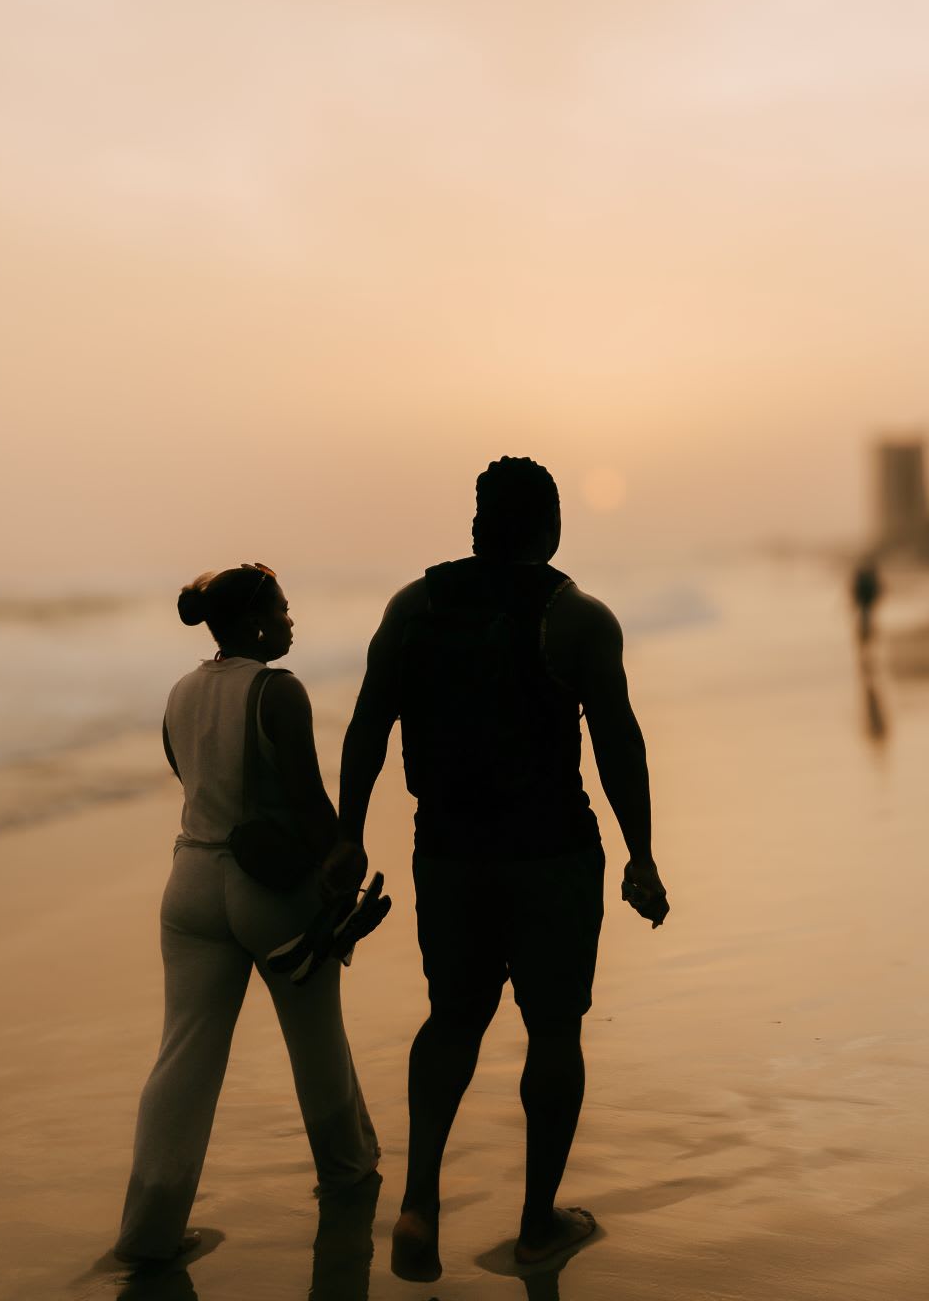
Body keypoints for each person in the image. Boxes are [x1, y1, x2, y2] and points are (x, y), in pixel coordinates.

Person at [328, 457, 670, 1281]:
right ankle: (535, 1226)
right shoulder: (577, 617)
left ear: (477, 524)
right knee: (553, 1030)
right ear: (549, 527)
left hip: (446, 853)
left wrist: (348, 835)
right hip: (551, 854)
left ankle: (418, 1204)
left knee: (452, 1019)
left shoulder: (413, 608)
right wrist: (641, 857)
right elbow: (620, 743)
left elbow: (367, 727)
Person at [114, 564, 380, 1266]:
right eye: (284, 611)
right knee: (315, 1037)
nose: (292, 622)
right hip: (266, 889)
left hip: (190, 885)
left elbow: (193, 781)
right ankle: (348, 1173)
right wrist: (343, 863)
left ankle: (148, 1232)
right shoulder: (277, 692)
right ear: (258, 622)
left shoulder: (180, 693)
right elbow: (305, 802)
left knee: (184, 1059)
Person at [850, 556, 883, 649]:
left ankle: (865, 633)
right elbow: (878, 588)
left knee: (865, 615)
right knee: (867, 615)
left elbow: (854, 589)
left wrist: (853, 601)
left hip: (864, 600)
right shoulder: (870, 575)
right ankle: (867, 633)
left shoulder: (862, 575)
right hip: (867, 600)